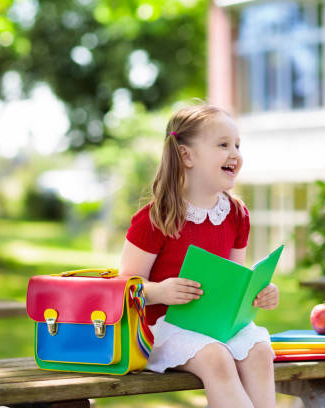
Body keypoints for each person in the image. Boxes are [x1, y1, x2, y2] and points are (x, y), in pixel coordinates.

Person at [119, 103, 279, 408]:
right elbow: (125, 285)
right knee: (216, 358)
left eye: (237, 145)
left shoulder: (235, 214)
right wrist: (160, 290)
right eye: (222, 145)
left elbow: (235, 279)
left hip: (216, 325)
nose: (234, 153)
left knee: (260, 352)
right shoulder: (157, 217)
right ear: (186, 156)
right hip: (162, 328)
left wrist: (259, 292)